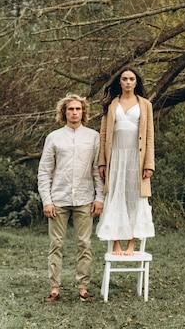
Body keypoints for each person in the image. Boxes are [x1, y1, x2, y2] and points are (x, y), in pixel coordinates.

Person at [37, 94, 105, 303]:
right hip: (59, 198)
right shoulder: (54, 137)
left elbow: (97, 170)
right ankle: (55, 287)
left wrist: (99, 197)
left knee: (84, 243)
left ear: (83, 112)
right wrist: (47, 200)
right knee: (56, 244)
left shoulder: (93, 137)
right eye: (70, 109)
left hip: (85, 198)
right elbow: (44, 171)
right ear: (64, 112)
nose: (74, 113)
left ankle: (83, 287)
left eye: (78, 109)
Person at [96, 66, 155, 256]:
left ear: (136, 82)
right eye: (124, 79)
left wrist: (149, 164)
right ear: (119, 82)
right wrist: (102, 162)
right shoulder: (111, 104)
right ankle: (116, 244)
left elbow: (149, 136)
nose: (128, 82)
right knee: (114, 196)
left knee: (133, 198)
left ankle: (131, 243)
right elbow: (103, 134)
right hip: (115, 157)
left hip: (136, 158)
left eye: (131, 79)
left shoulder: (145, 104)